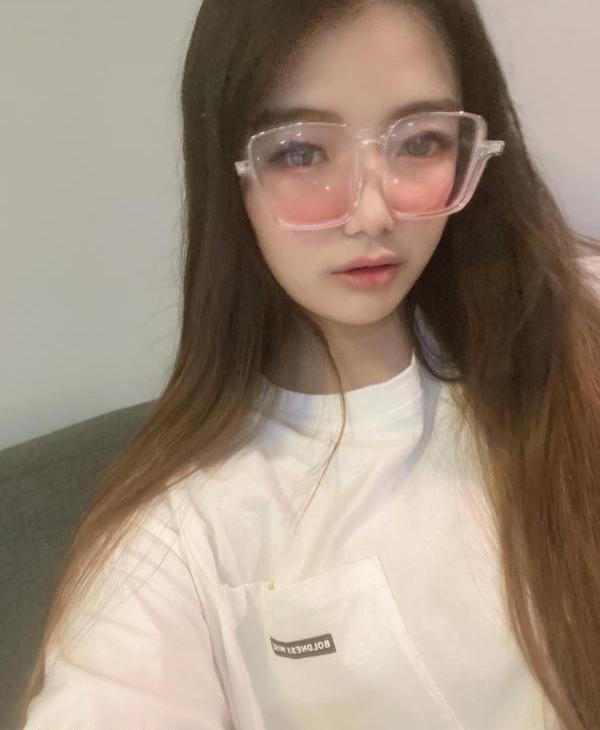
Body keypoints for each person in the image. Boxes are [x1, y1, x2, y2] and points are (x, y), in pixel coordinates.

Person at [15, 0, 600, 728]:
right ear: (229, 173)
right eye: (300, 152)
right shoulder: (178, 533)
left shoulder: (573, 328)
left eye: (419, 141)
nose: (372, 213)